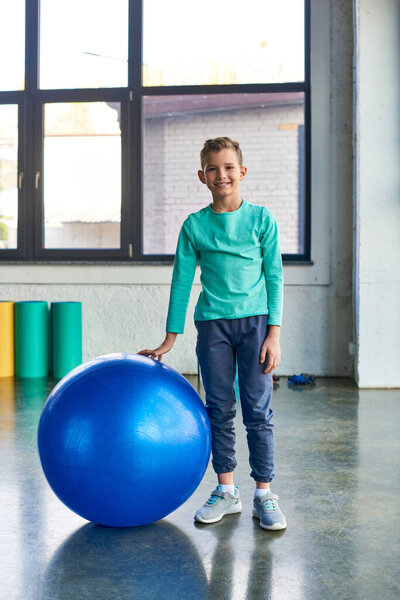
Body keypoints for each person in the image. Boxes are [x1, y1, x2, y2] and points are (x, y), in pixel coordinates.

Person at [139, 136, 287, 530]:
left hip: (256, 326)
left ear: (242, 172)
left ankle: (263, 494)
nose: (221, 175)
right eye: (213, 169)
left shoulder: (261, 220)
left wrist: (274, 333)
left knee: (257, 411)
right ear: (202, 176)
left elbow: (275, 277)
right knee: (219, 409)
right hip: (213, 327)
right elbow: (181, 282)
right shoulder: (194, 226)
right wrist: (170, 339)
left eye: (228, 167)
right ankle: (227, 491)